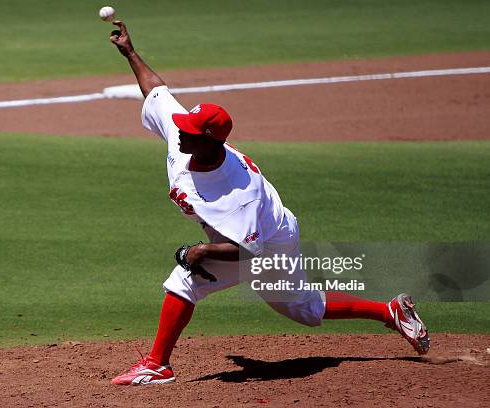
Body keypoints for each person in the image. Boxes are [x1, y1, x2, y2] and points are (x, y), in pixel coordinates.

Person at [107, 20, 430, 386]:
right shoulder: (186, 139)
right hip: (263, 229)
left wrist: (200, 250)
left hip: (265, 242)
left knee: (185, 281)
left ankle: (157, 364)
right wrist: (130, 52)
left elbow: (247, 250)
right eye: (184, 128)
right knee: (302, 307)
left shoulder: (237, 192)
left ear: (212, 142)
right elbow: (157, 93)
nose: (181, 133)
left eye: (191, 133)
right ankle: (390, 312)